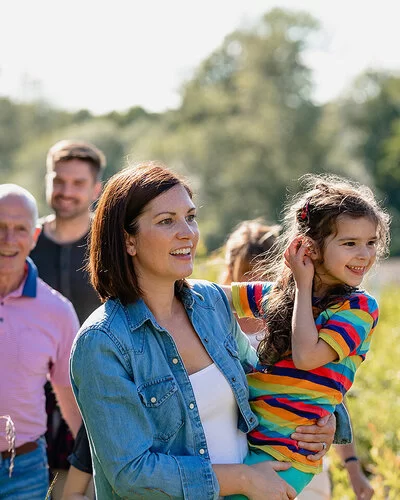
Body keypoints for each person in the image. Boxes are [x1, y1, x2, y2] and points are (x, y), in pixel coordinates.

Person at [69, 162, 338, 500]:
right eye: (167, 221)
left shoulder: (211, 303)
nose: (188, 233)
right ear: (128, 240)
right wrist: (243, 479)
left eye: (191, 217)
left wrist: (326, 422)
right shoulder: (102, 342)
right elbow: (131, 473)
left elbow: (265, 381)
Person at [227, 174, 390, 497]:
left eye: (371, 242)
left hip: (289, 456)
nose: (364, 255)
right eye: (349, 243)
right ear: (311, 248)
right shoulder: (280, 295)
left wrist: (302, 284)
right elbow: (216, 297)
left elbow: (306, 356)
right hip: (247, 443)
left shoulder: (358, 308)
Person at [30, 139, 105, 498]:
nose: (66, 192)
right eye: (59, 181)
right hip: (27, 404)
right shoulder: (21, 243)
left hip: (93, 402)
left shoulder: (111, 247)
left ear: (96, 189)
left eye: (78, 183)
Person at [0, 184, 81, 499]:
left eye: (19, 229)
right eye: (1, 227)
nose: (8, 240)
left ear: (34, 237)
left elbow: (72, 401)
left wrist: (95, 471)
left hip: (24, 468)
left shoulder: (56, 311)